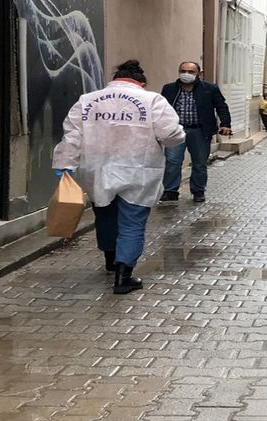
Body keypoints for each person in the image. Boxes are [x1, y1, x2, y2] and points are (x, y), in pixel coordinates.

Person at [52, 60, 185, 294]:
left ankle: (110, 260)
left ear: (115, 79)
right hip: (138, 170)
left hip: (98, 169)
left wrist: (64, 164)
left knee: (105, 215)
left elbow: (72, 136)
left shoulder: (87, 101)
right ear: (141, 82)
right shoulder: (152, 100)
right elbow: (171, 134)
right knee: (132, 223)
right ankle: (124, 276)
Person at [160, 61, 231, 203]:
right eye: (183, 70)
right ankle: (170, 191)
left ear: (199, 73)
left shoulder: (209, 89)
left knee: (199, 163)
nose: (186, 74)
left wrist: (225, 124)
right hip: (176, 131)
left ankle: (198, 191)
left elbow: (221, 106)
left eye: (191, 72)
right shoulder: (169, 89)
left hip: (199, 130)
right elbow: (161, 109)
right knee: (173, 161)